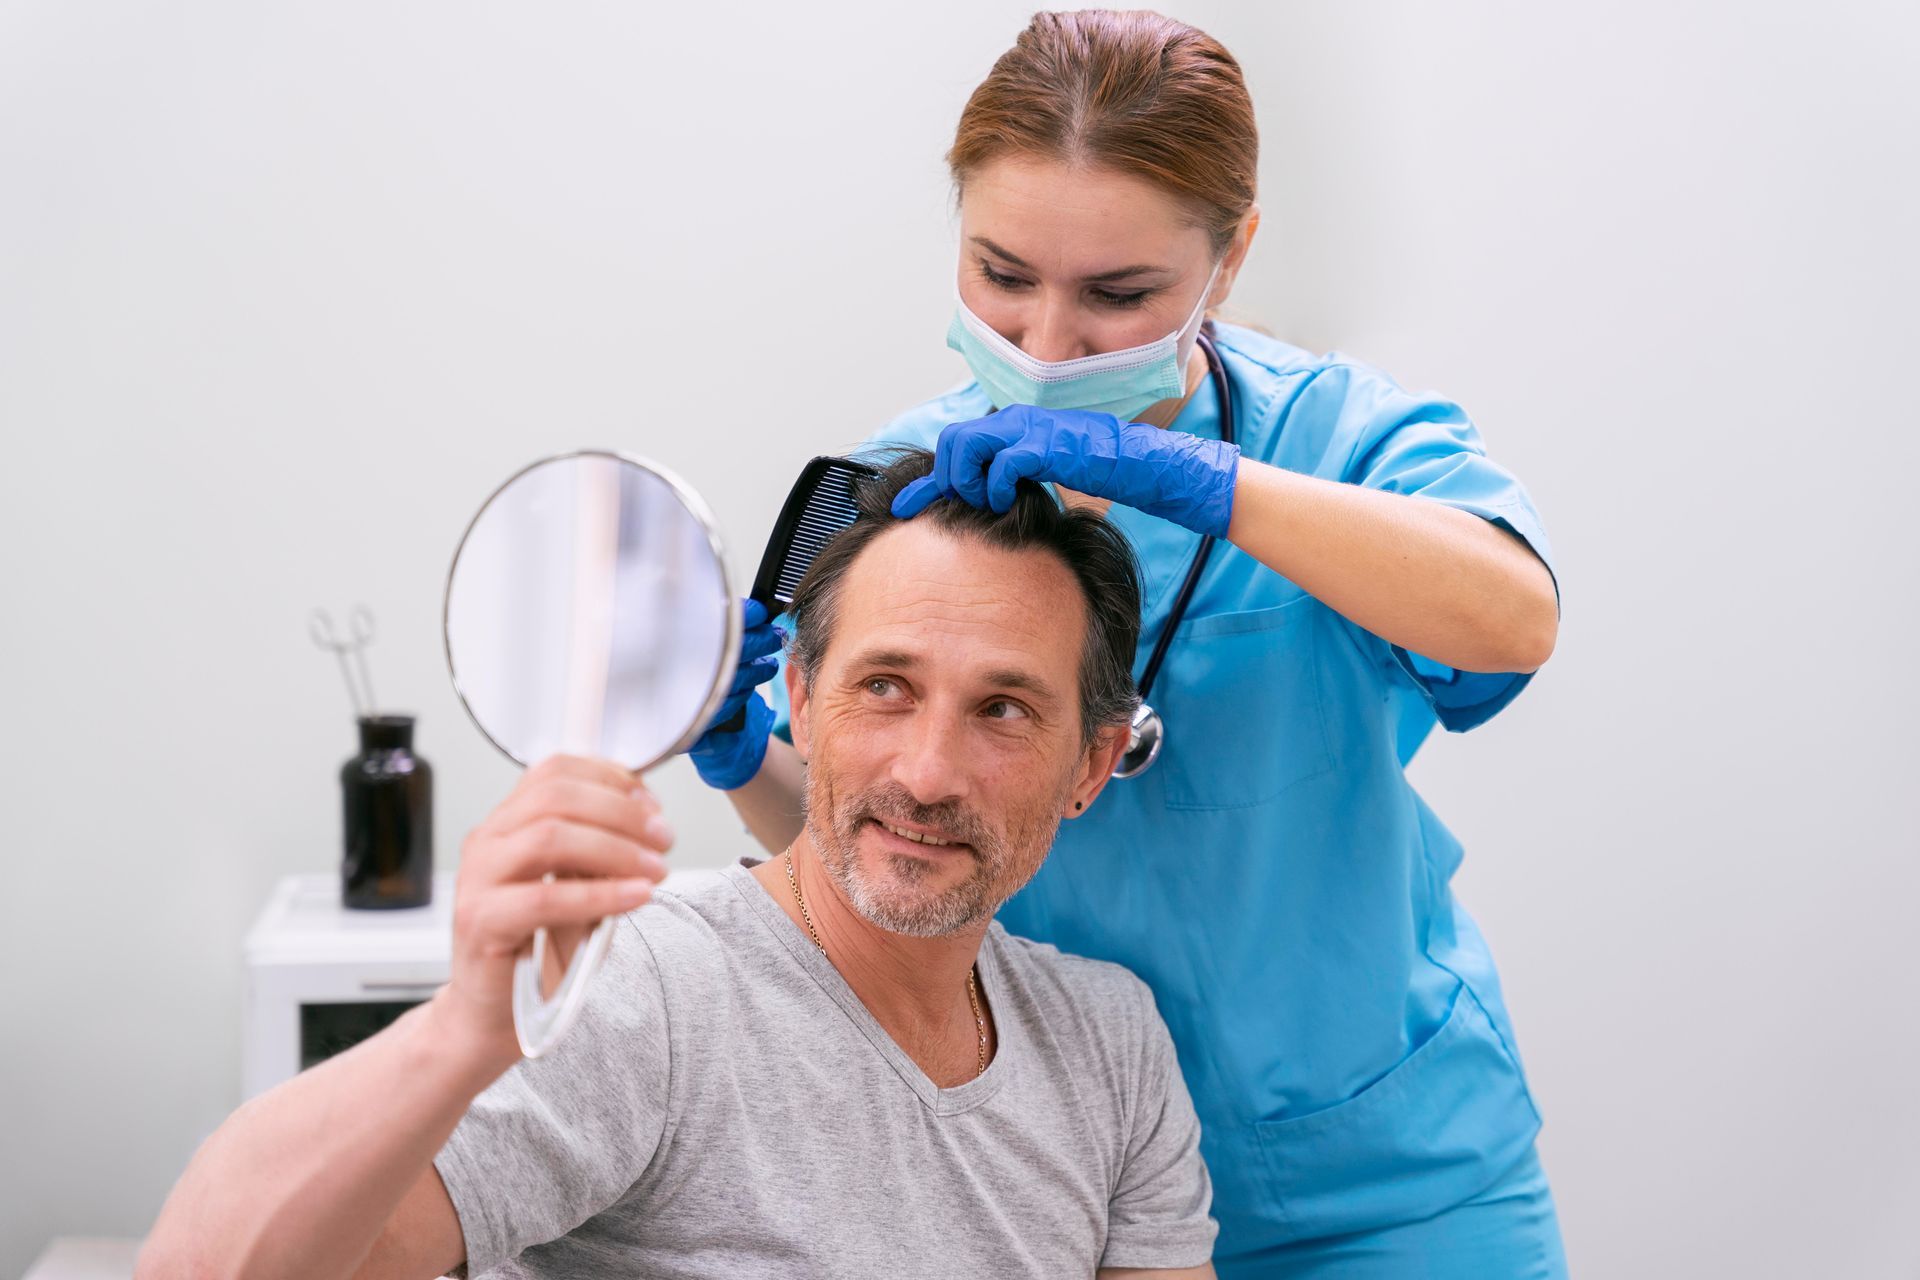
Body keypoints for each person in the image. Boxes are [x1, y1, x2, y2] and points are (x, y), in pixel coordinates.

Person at [687, 11, 1569, 1277]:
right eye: (1001, 274)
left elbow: (1512, 614)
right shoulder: (899, 487)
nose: (1045, 348)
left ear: (1230, 256)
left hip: (1392, 1178)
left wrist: (1196, 479)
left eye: (1117, 295)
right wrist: (744, 753)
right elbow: (892, 848)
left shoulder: (1333, 442)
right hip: (1059, 1184)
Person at [140, 451, 1218, 1280]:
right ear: (798, 699)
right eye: (884, 684)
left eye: (1003, 708)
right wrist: (465, 1026)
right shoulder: (652, 995)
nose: (927, 773)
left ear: (1092, 762)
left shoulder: (1110, 1045)